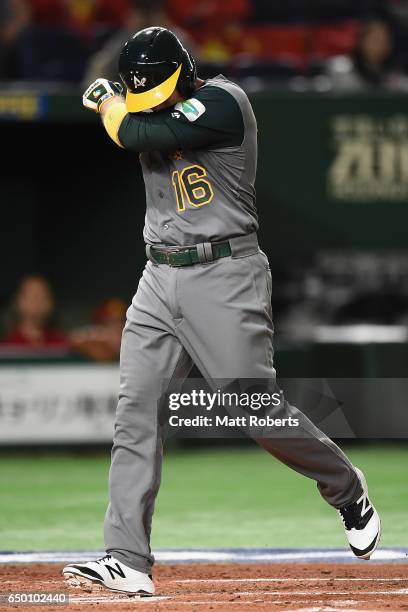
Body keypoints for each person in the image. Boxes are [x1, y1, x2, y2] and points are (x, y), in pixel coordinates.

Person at [62, 27, 381, 596]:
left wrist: (110, 103)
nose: (151, 99)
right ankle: (128, 558)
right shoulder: (150, 105)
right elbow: (141, 123)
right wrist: (118, 101)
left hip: (224, 272)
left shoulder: (223, 101)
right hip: (158, 275)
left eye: (156, 89)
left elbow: (139, 132)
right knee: (136, 412)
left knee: (252, 410)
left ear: (182, 71)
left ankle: (345, 486)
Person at [325, 17, 408, 90]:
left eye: (385, 41)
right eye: (375, 39)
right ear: (362, 41)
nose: (380, 45)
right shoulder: (340, 70)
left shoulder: (397, 79)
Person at [1, 275, 69, 350]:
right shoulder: (7, 346)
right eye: (33, 296)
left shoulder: (62, 343)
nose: (38, 302)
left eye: (44, 296)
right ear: (18, 301)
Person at [70, 297, 127, 362]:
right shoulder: (95, 333)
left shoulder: (129, 336)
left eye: (119, 320)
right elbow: (73, 339)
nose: (116, 325)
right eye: (111, 321)